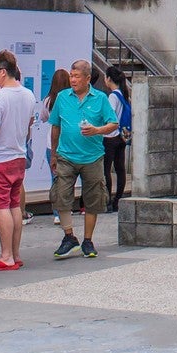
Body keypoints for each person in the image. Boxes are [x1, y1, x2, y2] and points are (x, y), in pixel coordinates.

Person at [48, 58, 119, 259]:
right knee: (61, 196)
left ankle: (88, 240)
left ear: (88, 78)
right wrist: (53, 153)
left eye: (77, 76)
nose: (73, 80)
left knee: (93, 199)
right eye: (71, 76)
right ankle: (69, 236)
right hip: (66, 155)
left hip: (93, 156)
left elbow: (113, 123)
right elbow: (55, 126)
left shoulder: (100, 98)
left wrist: (97, 130)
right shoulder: (62, 97)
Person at [0, 49, 37, 272]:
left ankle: (6, 255)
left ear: (2, 71)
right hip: (18, 155)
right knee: (13, 205)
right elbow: (29, 123)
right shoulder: (28, 94)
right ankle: (15, 253)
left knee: (1, 206)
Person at [102, 67, 133, 212]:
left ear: (108, 79)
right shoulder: (123, 94)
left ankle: (108, 200)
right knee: (120, 169)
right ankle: (118, 200)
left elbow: (110, 116)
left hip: (110, 136)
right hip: (122, 136)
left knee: (106, 170)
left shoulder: (112, 97)